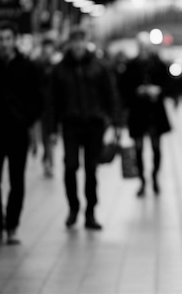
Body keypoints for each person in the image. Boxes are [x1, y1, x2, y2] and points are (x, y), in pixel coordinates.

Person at [0, 21, 43, 248]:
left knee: (17, 181)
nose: (4, 43)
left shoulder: (27, 67)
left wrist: (27, 120)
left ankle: (12, 226)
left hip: (17, 132)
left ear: (15, 40)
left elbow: (38, 98)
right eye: (0, 39)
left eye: (8, 38)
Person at [48, 27, 119, 230]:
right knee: (70, 167)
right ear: (69, 44)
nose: (78, 45)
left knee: (91, 170)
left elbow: (111, 95)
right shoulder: (60, 69)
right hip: (70, 125)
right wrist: (52, 130)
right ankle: (73, 207)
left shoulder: (99, 67)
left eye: (81, 41)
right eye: (75, 41)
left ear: (86, 42)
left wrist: (115, 122)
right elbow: (52, 101)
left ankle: (90, 212)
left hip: (94, 125)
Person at [119, 32, 171, 197]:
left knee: (156, 148)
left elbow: (169, 83)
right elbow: (123, 88)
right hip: (138, 113)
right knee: (138, 149)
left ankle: (155, 177)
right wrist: (137, 91)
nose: (144, 49)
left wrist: (159, 90)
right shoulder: (131, 65)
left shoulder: (158, 64)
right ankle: (142, 180)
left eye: (146, 46)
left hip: (155, 113)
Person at [33, 37, 58, 177]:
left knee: (49, 137)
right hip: (42, 107)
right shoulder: (38, 65)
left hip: (52, 107)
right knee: (46, 137)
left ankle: (48, 161)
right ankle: (48, 162)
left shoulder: (55, 65)